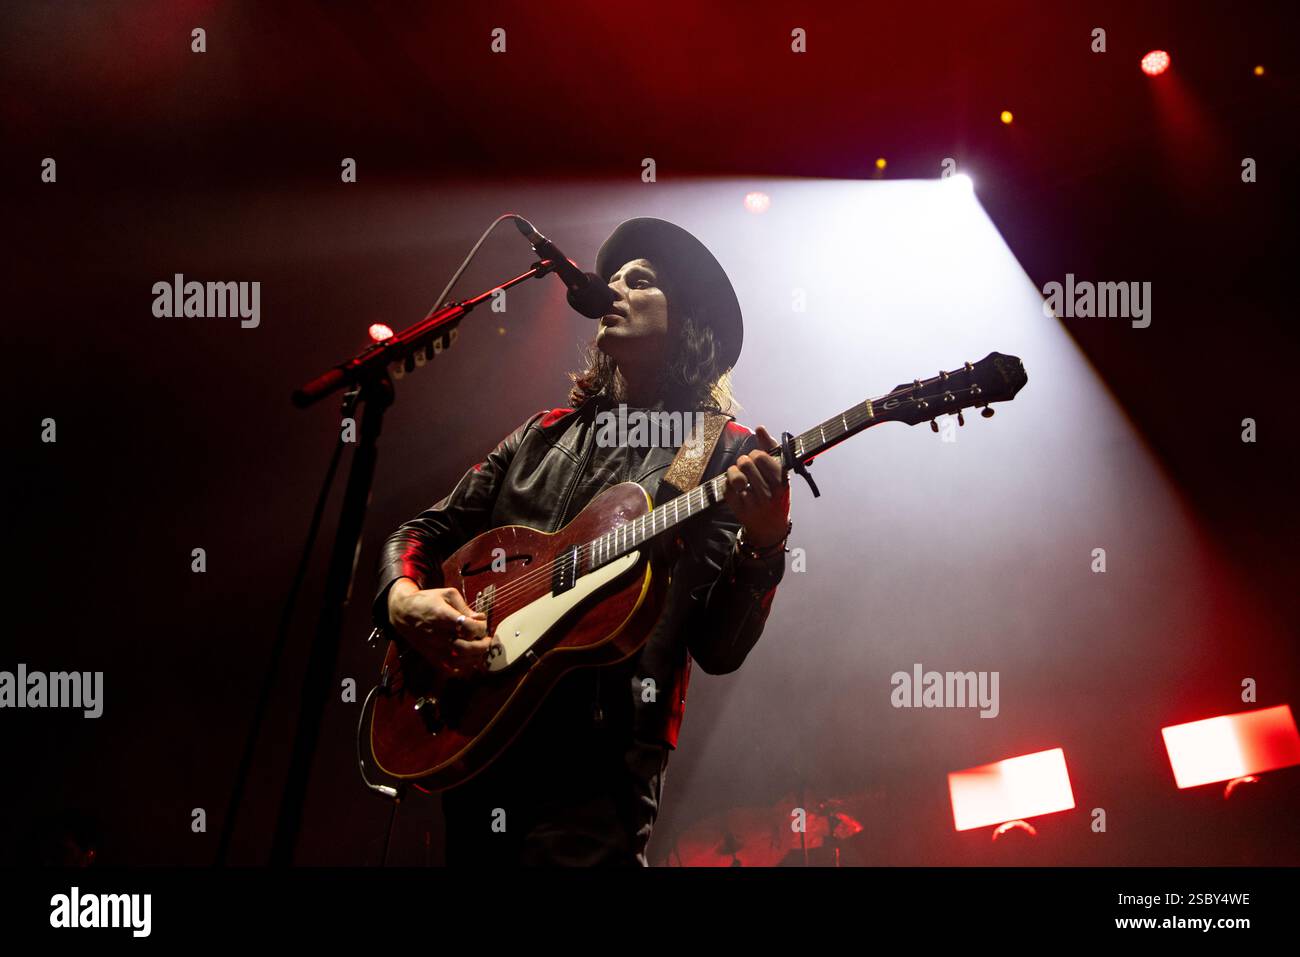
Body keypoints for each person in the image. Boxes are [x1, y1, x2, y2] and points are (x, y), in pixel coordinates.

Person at [373, 217, 791, 865]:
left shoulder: (716, 452)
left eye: (641, 280)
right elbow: (421, 532)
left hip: (597, 778)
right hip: (482, 734)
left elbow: (717, 646)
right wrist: (403, 599)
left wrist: (763, 548)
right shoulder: (538, 436)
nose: (613, 287)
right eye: (613, 277)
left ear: (690, 322)